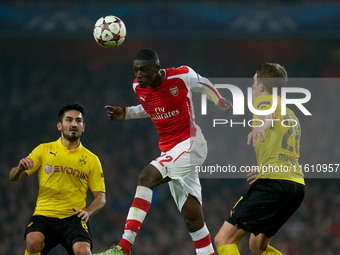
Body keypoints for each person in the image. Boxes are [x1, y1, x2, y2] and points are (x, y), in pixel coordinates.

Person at [95, 49, 232, 255]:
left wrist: (220, 101)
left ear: (157, 69)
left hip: (190, 144)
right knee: (192, 218)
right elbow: (150, 107)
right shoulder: (138, 87)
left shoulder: (181, 75)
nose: (138, 74)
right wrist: (126, 114)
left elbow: (204, 84)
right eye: (135, 70)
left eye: (143, 70)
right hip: (170, 150)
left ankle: (123, 248)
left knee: (146, 177)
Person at [214, 63, 305, 255]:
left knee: (224, 239)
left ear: (262, 85)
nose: (253, 88)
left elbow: (267, 115)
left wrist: (259, 128)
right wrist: (266, 168)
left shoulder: (264, 101)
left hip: (275, 184)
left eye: (254, 84)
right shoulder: (290, 113)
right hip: (295, 185)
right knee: (257, 245)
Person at [9, 103, 106, 255]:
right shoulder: (44, 149)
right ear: (59, 126)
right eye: (69, 120)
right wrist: (20, 168)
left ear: (83, 127)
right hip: (44, 214)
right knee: (33, 242)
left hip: (73, 217)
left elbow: (101, 198)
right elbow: (13, 177)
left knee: (84, 251)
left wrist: (88, 211)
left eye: (78, 121)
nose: (74, 124)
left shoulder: (92, 159)